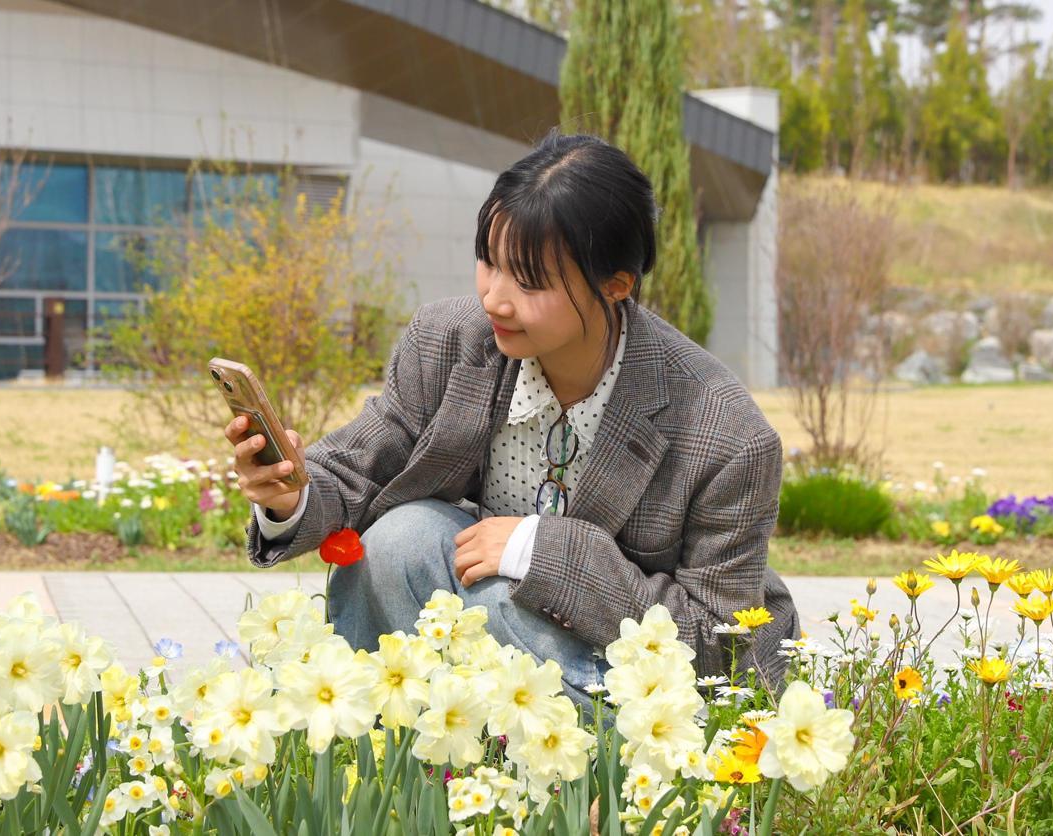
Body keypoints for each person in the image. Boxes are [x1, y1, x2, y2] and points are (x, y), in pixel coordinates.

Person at [226, 132, 798, 710]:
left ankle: (568, 777)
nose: (495, 299)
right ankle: (398, 755)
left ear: (616, 285)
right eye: (489, 263)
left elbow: (712, 642)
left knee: (497, 602)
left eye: (528, 281)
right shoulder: (449, 343)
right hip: (504, 639)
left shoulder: (724, 432)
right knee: (399, 540)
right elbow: (362, 464)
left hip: (644, 683)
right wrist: (287, 495)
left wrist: (542, 548)